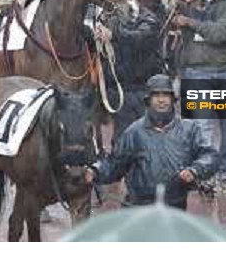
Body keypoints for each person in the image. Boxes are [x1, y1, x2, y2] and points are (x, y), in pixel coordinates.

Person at [85, 74, 218, 210]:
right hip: (139, 208)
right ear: (148, 100)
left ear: (173, 99)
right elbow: (114, 164)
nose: (161, 100)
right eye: (156, 96)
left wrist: (195, 170)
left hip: (175, 207)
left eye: (165, 96)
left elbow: (210, 156)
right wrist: (95, 171)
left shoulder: (189, 129)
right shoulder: (134, 132)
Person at [173, 0, 226, 193]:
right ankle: (205, 173)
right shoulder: (202, 3)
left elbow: (221, 34)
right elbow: (181, 23)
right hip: (197, 71)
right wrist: (185, 3)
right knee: (202, 128)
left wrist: (191, 22)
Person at [91, 0, 163, 138]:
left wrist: (114, 35)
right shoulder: (109, 18)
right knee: (122, 139)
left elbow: (142, 37)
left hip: (141, 91)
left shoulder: (147, 18)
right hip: (118, 90)